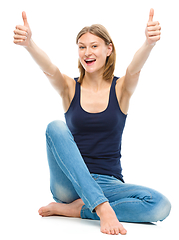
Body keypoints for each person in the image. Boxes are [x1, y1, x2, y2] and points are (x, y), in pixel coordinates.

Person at [13, 9, 171, 235]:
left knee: (160, 205)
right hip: (70, 184)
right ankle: (101, 208)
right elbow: (49, 70)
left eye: (94, 46)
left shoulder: (120, 89)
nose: (87, 52)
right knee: (55, 127)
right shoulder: (69, 88)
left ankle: (79, 210)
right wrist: (29, 44)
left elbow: (134, 70)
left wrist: (148, 43)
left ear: (109, 49)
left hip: (109, 183)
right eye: (82, 46)